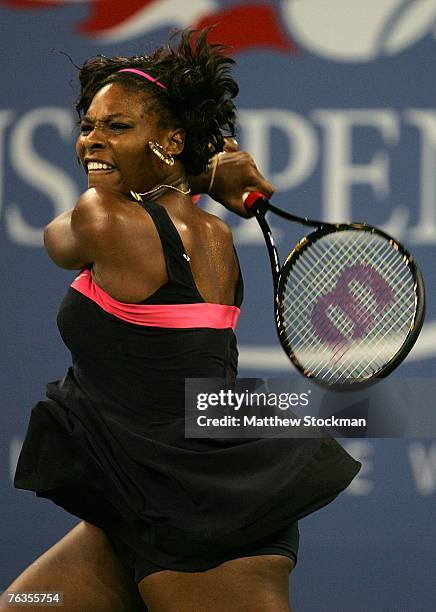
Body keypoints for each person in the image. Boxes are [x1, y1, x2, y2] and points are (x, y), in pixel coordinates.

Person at [3, 30, 360, 612]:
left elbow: (58, 243)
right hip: (137, 500)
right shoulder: (214, 233)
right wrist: (197, 174)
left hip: (200, 517)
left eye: (117, 127)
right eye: (89, 125)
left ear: (170, 140)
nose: (93, 141)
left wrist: (199, 176)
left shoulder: (103, 218)